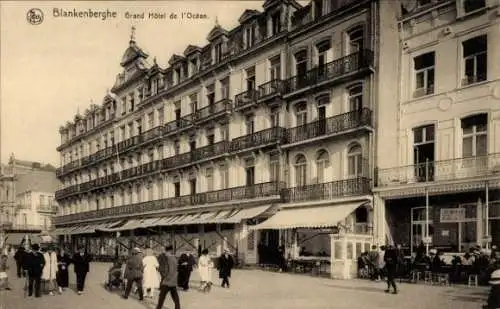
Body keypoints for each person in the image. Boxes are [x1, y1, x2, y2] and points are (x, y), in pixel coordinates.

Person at [156, 245, 181, 309]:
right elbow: (175, 269)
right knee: (174, 295)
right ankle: (177, 308)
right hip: (173, 280)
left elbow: (171, 270)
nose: (165, 253)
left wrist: (166, 278)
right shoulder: (174, 258)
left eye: (166, 252)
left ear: (168, 251)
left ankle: (158, 308)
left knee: (162, 295)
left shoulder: (170, 259)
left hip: (168, 281)